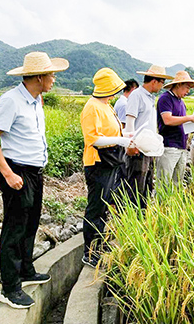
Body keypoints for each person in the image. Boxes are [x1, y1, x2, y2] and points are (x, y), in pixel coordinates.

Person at [0, 51, 69, 309]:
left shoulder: (36, 100)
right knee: (14, 228)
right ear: (40, 77)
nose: (54, 79)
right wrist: (8, 174)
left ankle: (26, 271)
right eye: (52, 75)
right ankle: (9, 288)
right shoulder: (10, 101)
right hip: (17, 171)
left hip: (35, 172)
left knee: (30, 223)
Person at [80, 67, 135, 268]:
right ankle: (89, 252)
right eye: (114, 88)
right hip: (98, 163)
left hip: (110, 161)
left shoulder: (106, 105)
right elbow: (93, 139)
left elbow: (113, 131)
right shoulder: (92, 108)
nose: (116, 92)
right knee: (96, 208)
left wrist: (126, 137)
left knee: (104, 207)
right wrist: (120, 140)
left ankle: (99, 247)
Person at [123, 65, 173, 207]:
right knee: (136, 185)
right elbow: (130, 122)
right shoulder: (136, 95)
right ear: (154, 81)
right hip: (138, 149)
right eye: (162, 82)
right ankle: (133, 217)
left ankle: (143, 216)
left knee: (147, 184)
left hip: (148, 148)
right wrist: (131, 145)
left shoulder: (150, 97)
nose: (162, 86)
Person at [156, 70, 194, 187]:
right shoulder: (165, 98)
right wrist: (189, 117)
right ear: (178, 85)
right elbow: (168, 120)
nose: (188, 91)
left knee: (178, 182)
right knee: (164, 183)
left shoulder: (181, 102)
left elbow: (181, 123)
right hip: (169, 147)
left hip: (181, 146)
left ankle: (173, 205)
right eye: (187, 87)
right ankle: (161, 205)